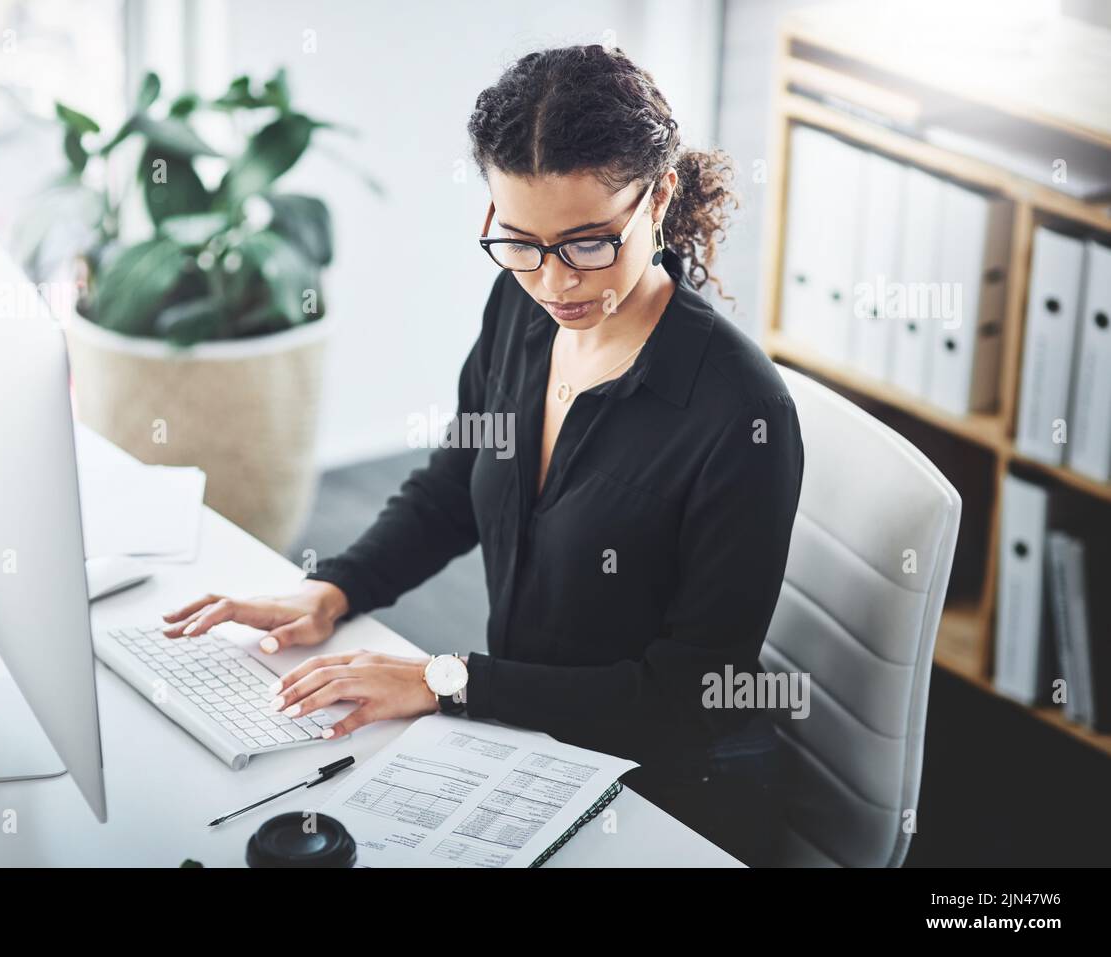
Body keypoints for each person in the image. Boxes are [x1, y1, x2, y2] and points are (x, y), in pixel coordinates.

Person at [162, 44, 804, 867]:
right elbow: (456, 485)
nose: (555, 281)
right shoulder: (524, 305)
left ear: (662, 195)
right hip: (528, 737)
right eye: (520, 240)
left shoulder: (739, 414)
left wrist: (449, 680)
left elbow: (689, 697)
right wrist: (334, 587)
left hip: (668, 789)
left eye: (587, 243)